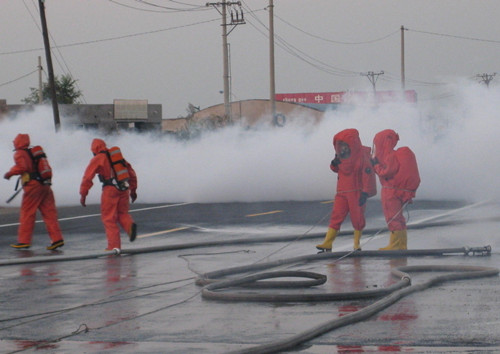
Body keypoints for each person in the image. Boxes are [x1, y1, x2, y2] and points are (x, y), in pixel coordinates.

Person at [316, 128, 375, 252]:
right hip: (342, 192)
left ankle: (356, 244)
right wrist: (334, 163)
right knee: (336, 216)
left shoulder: (362, 157)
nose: (343, 148)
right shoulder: (341, 157)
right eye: (341, 145)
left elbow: (367, 175)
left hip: (356, 192)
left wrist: (365, 192)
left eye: (345, 145)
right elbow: (335, 169)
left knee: (357, 218)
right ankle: (328, 243)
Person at [4, 133, 64, 250]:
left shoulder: (20, 153)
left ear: (17, 142)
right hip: (45, 185)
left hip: (33, 187)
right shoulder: (33, 152)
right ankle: (57, 239)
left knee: (27, 213)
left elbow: (22, 167)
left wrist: (9, 173)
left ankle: (24, 241)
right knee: (50, 214)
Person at [79, 138, 138, 251]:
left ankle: (113, 247)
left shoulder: (98, 158)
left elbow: (87, 177)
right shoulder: (117, 157)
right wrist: (133, 190)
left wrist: (83, 194)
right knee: (123, 214)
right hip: (124, 189)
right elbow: (131, 173)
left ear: (94, 149)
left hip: (110, 190)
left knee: (109, 219)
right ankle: (130, 226)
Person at [371, 129, 420, 250]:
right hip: (398, 190)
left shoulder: (389, 156)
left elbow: (386, 172)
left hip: (390, 190)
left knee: (392, 217)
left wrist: (375, 165)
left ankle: (395, 244)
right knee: (399, 218)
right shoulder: (395, 154)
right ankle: (402, 244)